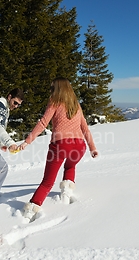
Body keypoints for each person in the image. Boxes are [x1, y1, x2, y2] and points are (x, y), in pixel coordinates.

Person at [18, 77, 99, 220]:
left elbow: (43, 123)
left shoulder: (55, 102)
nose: (51, 90)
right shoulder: (76, 105)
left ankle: (30, 211)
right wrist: (92, 148)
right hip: (79, 147)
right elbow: (85, 128)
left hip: (60, 145)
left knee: (48, 182)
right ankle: (66, 194)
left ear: (58, 89)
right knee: (70, 166)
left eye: (52, 87)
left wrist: (27, 141)